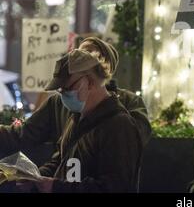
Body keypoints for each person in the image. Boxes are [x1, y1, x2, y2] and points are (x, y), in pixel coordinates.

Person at [0, 37, 151, 160]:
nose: (79, 61)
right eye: (79, 53)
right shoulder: (58, 102)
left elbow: (133, 142)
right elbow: (26, 134)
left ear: (105, 68)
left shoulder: (129, 103)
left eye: (91, 57)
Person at [30, 49, 142, 192]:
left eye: (68, 88)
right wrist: (37, 178)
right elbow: (63, 161)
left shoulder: (119, 125)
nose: (63, 94)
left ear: (89, 82)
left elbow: (115, 187)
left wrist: (56, 187)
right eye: (60, 90)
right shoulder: (76, 118)